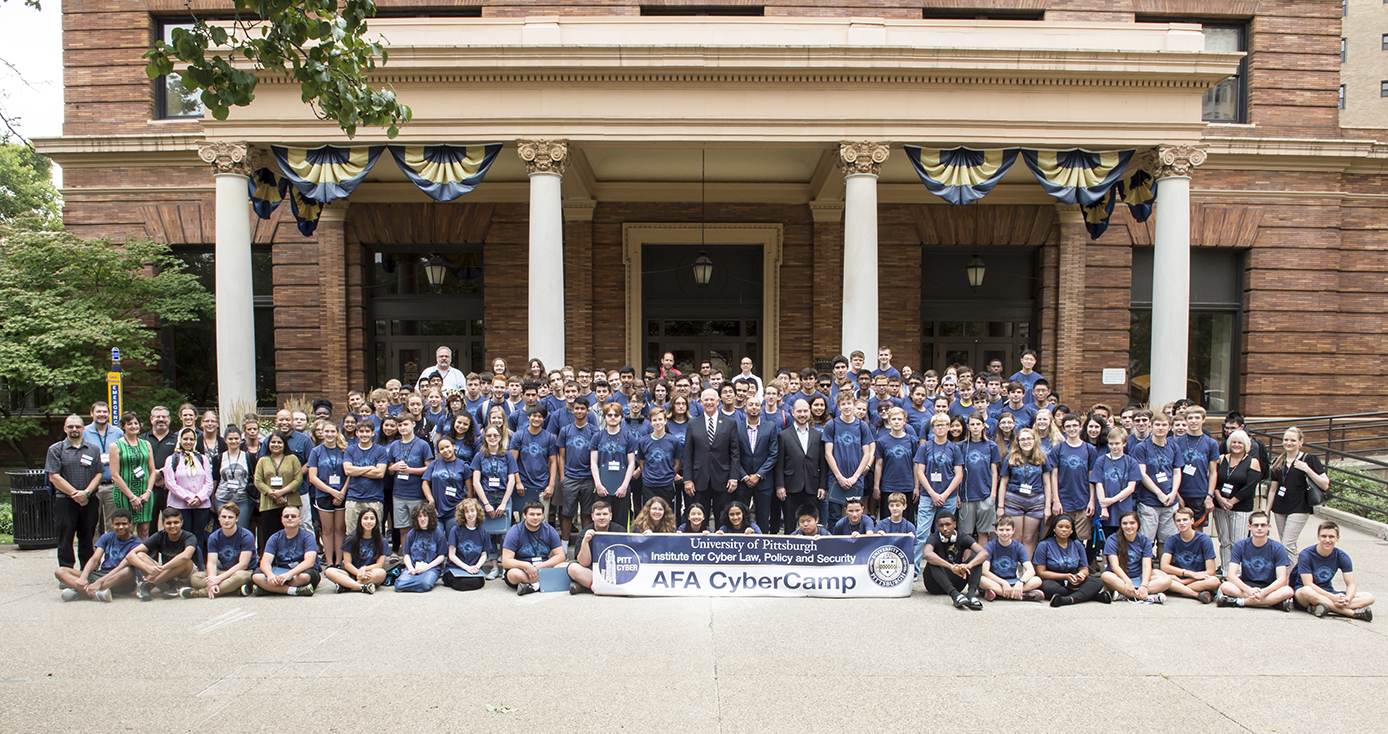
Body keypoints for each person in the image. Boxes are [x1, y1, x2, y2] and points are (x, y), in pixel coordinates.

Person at [47, 414, 104, 571]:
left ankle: (88, 571)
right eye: (70, 427)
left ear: (83, 429)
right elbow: (54, 476)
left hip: (89, 500)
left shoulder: (93, 449)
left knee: (87, 537)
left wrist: (86, 493)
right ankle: (66, 572)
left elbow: (98, 474)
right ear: (65, 429)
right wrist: (76, 494)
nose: (74, 429)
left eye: (77, 426)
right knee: (65, 538)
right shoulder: (56, 449)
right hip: (65, 501)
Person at [1268, 427, 1329, 565]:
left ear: (1301, 442)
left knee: (1288, 544)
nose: (1289, 443)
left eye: (1293, 440)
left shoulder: (1309, 459)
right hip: (1280, 507)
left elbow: (1325, 484)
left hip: (1299, 507)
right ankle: (1286, 576)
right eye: (1286, 440)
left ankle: (1292, 579)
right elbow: (1273, 489)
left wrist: (1307, 469)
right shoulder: (1278, 461)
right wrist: (1266, 512)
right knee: (1284, 544)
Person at [1293, 521, 1374, 621]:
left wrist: (1347, 599)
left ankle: (1321, 607)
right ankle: (1351, 613)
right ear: (1318, 537)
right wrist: (1333, 598)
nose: (1327, 540)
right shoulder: (1306, 555)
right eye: (1324, 536)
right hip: (1305, 594)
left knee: (1369, 597)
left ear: (1337, 538)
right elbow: (1308, 584)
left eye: (1331, 537)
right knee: (1306, 591)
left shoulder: (1342, 556)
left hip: (1328, 592)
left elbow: (1351, 584)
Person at [56, 508, 139, 602]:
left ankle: (81, 592)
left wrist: (99, 582)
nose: (120, 527)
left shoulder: (136, 543)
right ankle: (95, 592)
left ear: (130, 524)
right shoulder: (107, 537)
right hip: (101, 574)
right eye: (117, 524)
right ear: (111, 524)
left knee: (128, 571)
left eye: (124, 524)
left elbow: (121, 567)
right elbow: (94, 559)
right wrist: (83, 577)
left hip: (118, 578)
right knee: (60, 571)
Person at [1217, 511, 1294, 611]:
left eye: (1263, 525)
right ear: (1249, 527)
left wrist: (1264, 592)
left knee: (1288, 591)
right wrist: (1248, 590)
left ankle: (1240, 602)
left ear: (1269, 527)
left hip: (1269, 587)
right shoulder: (1240, 545)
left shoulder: (1278, 547)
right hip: (1246, 586)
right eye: (1256, 525)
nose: (1259, 528)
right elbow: (1231, 575)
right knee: (1226, 586)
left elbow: (1282, 579)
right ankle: (1272, 603)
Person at [683, 388, 741, 519]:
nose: (709, 402)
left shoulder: (730, 423)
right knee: (699, 518)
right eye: (706, 400)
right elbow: (687, 454)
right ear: (701, 403)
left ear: (718, 401)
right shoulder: (693, 424)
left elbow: (735, 453)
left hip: (723, 479)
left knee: (723, 518)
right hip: (699, 480)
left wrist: (734, 477)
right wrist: (687, 479)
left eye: (712, 400)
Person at [997, 427, 1052, 559]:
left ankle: (1026, 567)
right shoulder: (1011, 457)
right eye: (1022, 439)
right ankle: (1014, 567)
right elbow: (1003, 483)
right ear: (1018, 441)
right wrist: (1000, 506)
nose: (1026, 442)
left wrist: (1048, 506)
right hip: (1014, 500)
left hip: (1035, 501)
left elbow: (1047, 483)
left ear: (1034, 440)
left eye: (1029, 439)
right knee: (1017, 536)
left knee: (1028, 538)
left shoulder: (1042, 457)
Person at [1131, 412, 1183, 553]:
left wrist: (1173, 493)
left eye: (1164, 425)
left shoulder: (1174, 447)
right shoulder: (1142, 447)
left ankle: (1163, 570)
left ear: (1169, 427)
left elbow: (1177, 472)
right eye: (1157, 425)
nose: (1160, 428)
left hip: (1170, 501)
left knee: (1167, 541)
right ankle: (1144, 571)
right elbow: (1142, 473)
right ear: (1151, 426)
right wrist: (1159, 493)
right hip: (1149, 501)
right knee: (1146, 540)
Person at [1213, 429, 1262, 574]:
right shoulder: (1221, 459)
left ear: (1246, 444)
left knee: (1237, 543)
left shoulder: (1252, 462)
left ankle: (1237, 572)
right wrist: (1219, 498)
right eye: (1233, 442)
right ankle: (1225, 570)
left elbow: (1250, 486)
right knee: (1224, 541)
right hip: (1220, 507)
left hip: (1241, 508)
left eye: (1240, 442)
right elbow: (1213, 481)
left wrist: (1232, 501)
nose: (1236, 445)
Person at [775, 399, 827, 534]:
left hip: (812, 485)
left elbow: (823, 463)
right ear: (793, 413)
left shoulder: (818, 436)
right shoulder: (783, 435)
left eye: (805, 411)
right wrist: (780, 486)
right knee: (789, 523)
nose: (802, 414)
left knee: (811, 522)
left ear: (809, 412)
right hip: (790, 485)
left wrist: (822, 485)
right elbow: (779, 463)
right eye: (799, 411)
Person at [183, 503, 256, 598]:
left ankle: (200, 593)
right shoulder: (214, 537)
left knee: (239, 577)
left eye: (230, 517)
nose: (226, 520)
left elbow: (243, 564)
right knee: (195, 578)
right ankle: (234, 590)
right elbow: (212, 562)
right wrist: (213, 580)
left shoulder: (246, 536)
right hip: (223, 571)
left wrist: (218, 579)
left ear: (236, 519)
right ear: (219, 518)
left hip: (244, 571)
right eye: (224, 517)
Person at [473, 425, 518, 577]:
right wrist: (485, 503)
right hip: (486, 496)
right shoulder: (479, 456)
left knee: (505, 533)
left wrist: (504, 502)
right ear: (485, 438)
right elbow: (476, 481)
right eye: (489, 435)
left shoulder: (507, 455)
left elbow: (511, 480)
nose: (492, 438)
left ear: (500, 437)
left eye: (495, 435)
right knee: (489, 532)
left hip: (503, 496)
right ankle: (494, 567)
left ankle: (505, 565)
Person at [1035, 514, 1109, 606]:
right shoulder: (1044, 545)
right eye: (1060, 526)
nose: (1064, 529)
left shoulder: (1077, 544)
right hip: (1053, 579)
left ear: (1071, 530)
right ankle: (1091, 595)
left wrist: (1080, 575)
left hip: (1074, 580)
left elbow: (1084, 569)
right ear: (1054, 528)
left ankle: (1067, 600)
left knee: (1097, 582)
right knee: (1049, 588)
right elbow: (1041, 573)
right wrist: (1065, 576)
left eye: (1067, 527)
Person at [128, 508, 200, 600]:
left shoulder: (189, 537)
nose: (172, 526)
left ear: (181, 522)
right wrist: (149, 569)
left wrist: (162, 569)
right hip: (166, 577)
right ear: (163, 524)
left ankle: (148, 585)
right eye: (168, 523)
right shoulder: (159, 536)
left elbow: (186, 556)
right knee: (140, 555)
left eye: (176, 522)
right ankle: (173, 586)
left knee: (184, 560)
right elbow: (130, 555)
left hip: (186, 577)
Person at [501, 500, 568, 595]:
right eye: (532, 514)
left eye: (538, 514)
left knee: (566, 566)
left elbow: (560, 556)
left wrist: (537, 567)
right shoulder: (515, 532)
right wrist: (526, 566)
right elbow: (506, 561)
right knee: (514, 574)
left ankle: (533, 586)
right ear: (524, 515)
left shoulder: (549, 530)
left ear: (542, 515)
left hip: (543, 567)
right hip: (523, 570)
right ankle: (544, 583)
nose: (535, 518)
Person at [1100, 510, 1169, 604]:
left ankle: (1125, 594)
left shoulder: (1144, 540)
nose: (1128, 526)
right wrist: (1127, 581)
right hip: (1120, 578)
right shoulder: (1112, 539)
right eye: (1125, 523)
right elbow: (1114, 566)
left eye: (1132, 523)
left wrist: (1144, 585)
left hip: (1138, 576)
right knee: (1106, 576)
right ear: (1120, 525)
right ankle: (1146, 597)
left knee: (1166, 579)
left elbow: (1146, 566)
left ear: (1138, 524)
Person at [921, 512, 986, 610]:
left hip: (957, 582)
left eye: (948, 524)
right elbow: (927, 553)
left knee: (975, 558)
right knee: (932, 560)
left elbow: (983, 553)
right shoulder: (934, 538)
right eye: (941, 525)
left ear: (955, 525)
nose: (945, 528)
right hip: (935, 584)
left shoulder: (962, 537)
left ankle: (971, 595)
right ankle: (955, 596)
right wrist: (951, 567)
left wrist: (968, 565)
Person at [163, 427, 215, 549]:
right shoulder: (172, 459)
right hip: (180, 504)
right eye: (185, 439)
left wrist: (199, 498)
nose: (188, 442)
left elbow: (209, 482)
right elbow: (170, 483)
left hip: (201, 505)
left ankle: (199, 563)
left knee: (199, 535)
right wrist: (189, 497)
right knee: (183, 535)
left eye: (191, 439)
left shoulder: (202, 459)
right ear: (179, 439)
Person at [252, 505, 319, 596]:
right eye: (286, 516)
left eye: (293, 516)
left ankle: (269, 588)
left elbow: (309, 562)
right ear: (282, 519)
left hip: (300, 572)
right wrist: (270, 575)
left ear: (299, 519)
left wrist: (289, 574)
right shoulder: (275, 537)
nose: (290, 518)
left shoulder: (307, 537)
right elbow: (265, 561)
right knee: (256, 576)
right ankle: (293, 590)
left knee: (305, 577)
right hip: (280, 571)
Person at [1159, 507, 1221, 603]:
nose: (1182, 523)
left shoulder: (1204, 539)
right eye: (1178, 520)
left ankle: (1179, 590)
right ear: (1175, 523)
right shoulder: (1171, 540)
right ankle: (1193, 592)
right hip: (1180, 577)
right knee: (1155, 573)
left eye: (1185, 520)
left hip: (1197, 580)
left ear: (1192, 521)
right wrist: (1188, 574)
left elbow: (1210, 571)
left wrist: (1184, 582)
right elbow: (1164, 566)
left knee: (1214, 581)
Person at [1174, 406, 1220, 530]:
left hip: (1199, 493)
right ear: (1186, 420)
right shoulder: (1176, 442)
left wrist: (1210, 496)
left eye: (1197, 418)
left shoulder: (1211, 443)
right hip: (1180, 492)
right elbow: (1172, 470)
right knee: (1177, 530)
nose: (1193, 421)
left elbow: (1213, 472)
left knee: (1197, 531)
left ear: (1203, 420)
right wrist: (1176, 494)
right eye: (1190, 418)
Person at [254, 433, 304, 548]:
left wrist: (281, 493)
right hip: (268, 503)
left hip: (289, 502)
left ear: (284, 444)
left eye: (279, 442)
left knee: (290, 533)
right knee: (269, 535)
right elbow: (258, 481)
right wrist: (273, 494)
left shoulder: (292, 459)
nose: (276, 445)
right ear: (268, 444)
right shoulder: (263, 460)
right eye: (273, 442)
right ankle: (271, 560)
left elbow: (298, 479)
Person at [956, 412, 1000, 543]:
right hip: (966, 496)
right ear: (968, 426)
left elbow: (994, 472)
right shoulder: (961, 447)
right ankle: (966, 562)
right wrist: (957, 494)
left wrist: (993, 494)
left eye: (978, 424)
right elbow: (957, 472)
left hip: (985, 494)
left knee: (983, 532)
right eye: (972, 424)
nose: (975, 427)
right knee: (966, 533)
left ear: (983, 426)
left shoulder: (992, 446)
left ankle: (982, 562)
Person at [979, 516, 1044, 602]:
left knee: (1037, 580)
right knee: (980, 580)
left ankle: (999, 594)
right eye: (1001, 530)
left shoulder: (1018, 546)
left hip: (1013, 581)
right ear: (995, 530)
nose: (1004, 533)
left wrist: (1021, 582)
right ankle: (1021, 596)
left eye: (1008, 530)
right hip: (996, 581)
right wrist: (1003, 583)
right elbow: (985, 571)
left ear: (1013, 530)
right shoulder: (990, 546)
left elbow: (1031, 570)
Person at [568, 500, 628, 593]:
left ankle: (586, 587)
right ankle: (601, 586)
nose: (602, 517)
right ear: (592, 516)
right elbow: (584, 563)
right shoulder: (584, 533)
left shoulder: (620, 531)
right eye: (598, 514)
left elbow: (626, 558)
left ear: (610, 516)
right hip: (592, 570)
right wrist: (585, 542)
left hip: (615, 569)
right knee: (573, 568)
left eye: (605, 514)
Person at [1091, 427, 1140, 540]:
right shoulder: (1101, 461)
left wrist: (1111, 500)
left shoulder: (1131, 462)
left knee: (1123, 541)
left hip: (1123, 508)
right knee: (1106, 541)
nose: (1114, 447)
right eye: (1111, 444)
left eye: (1117, 443)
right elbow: (1098, 484)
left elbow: (1131, 487)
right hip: (1105, 509)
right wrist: (1104, 506)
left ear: (1124, 443)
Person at [593, 402, 638, 524]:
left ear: (622, 418)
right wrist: (598, 485)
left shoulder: (628, 437)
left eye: (616, 415)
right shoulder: (597, 436)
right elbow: (593, 462)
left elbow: (631, 463)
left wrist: (624, 486)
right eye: (609, 415)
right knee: (602, 520)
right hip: (602, 487)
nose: (613, 418)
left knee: (621, 521)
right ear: (604, 417)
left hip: (622, 488)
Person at [324, 507, 387, 593]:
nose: (369, 521)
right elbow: (347, 563)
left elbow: (379, 564)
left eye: (372, 519)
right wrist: (358, 573)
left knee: (381, 573)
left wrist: (364, 569)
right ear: (360, 521)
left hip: (369, 573)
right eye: (365, 518)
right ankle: (362, 586)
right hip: (351, 573)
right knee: (329, 571)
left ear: (376, 521)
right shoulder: (350, 539)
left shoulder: (382, 541)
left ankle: (346, 585)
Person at [82, 401, 123, 532]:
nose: (101, 414)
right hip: (92, 486)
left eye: (104, 412)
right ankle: (94, 551)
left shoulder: (118, 433)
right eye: (98, 412)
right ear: (91, 413)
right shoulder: (84, 432)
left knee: (113, 522)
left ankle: (112, 550)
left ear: (109, 414)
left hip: (112, 485)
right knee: (91, 522)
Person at [343, 420, 388, 535]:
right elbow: (348, 470)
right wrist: (370, 468)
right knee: (352, 534)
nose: (364, 434)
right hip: (353, 498)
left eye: (367, 431)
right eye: (361, 431)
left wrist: (356, 470)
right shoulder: (350, 449)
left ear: (373, 433)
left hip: (374, 499)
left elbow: (380, 473)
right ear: (356, 433)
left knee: (375, 534)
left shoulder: (380, 450)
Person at [139, 406, 180, 529]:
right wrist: (152, 476)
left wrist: (162, 473)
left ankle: (170, 548)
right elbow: (137, 463)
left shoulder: (177, 440)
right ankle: (151, 549)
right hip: (148, 489)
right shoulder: (142, 439)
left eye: (164, 417)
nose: (161, 419)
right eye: (157, 416)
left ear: (169, 419)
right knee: (148, 526)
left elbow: (180, 462)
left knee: (171, 523)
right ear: (151, 419)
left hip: (169, 489)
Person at [395, 502, 446, 592]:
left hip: (431, 568)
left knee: (425, 584)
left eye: (425, 516)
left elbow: (441, 556)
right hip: (414, 567)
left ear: (430, 517)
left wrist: (426, 568)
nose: (422, 519)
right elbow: (406, 554)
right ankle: (416, 583)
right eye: (419, 516)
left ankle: (414, 584)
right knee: (399, 584)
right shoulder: (412, 533)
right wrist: (410, 568)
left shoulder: (438, 533)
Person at [442, 499, 491, 591]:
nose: (470, 514)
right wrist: (467, 568)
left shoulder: (484, 531)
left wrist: (476, 567)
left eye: (472, 510)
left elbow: (484, 555)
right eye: (466, 512)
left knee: (479, 582)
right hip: (455, 568)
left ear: (477, 512)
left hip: (473, 569)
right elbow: (451, 555)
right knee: (462, 583)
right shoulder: (455, 530)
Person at [212, 426, 254, 530]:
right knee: (225, 529)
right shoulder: (219, 458)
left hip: (243, 500)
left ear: (241, 439)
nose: (233, 441)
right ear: (225, 440)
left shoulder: (248, 457)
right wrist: (212, 500)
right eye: (230, 439)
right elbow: (215, 480)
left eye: (236, 438)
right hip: (222, 499)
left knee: (241, 529)